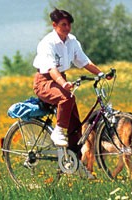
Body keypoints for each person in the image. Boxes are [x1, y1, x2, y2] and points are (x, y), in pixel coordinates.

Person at [32, 9, 110, 157]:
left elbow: (84, 61)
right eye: (63, 24)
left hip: (60, 79)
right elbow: (51, 68)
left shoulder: (72, 41)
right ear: (54, 25)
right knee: (67, 98)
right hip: (44, 81)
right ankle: (58, 132)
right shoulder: (47, 43)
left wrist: (101, 74)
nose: (67, 28)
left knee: (75, 126)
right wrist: (63, 83)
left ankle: (76, 163)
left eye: (69, 25)